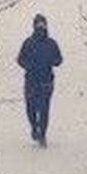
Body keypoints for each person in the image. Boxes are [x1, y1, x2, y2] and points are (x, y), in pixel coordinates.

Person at [16, 13, 63, 146]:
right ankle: (34, 127)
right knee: (30, 107)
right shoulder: (28, 43)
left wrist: (52, 61)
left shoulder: (51, 43)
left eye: (43, 24)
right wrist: (28, 66)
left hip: (46, 81)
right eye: (38, 24)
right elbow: (20, 59)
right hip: (31, 80)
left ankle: (42, 135)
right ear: (34, 26)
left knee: (44, 109)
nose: (41, 27)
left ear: (46, 26)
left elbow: (59, 60)